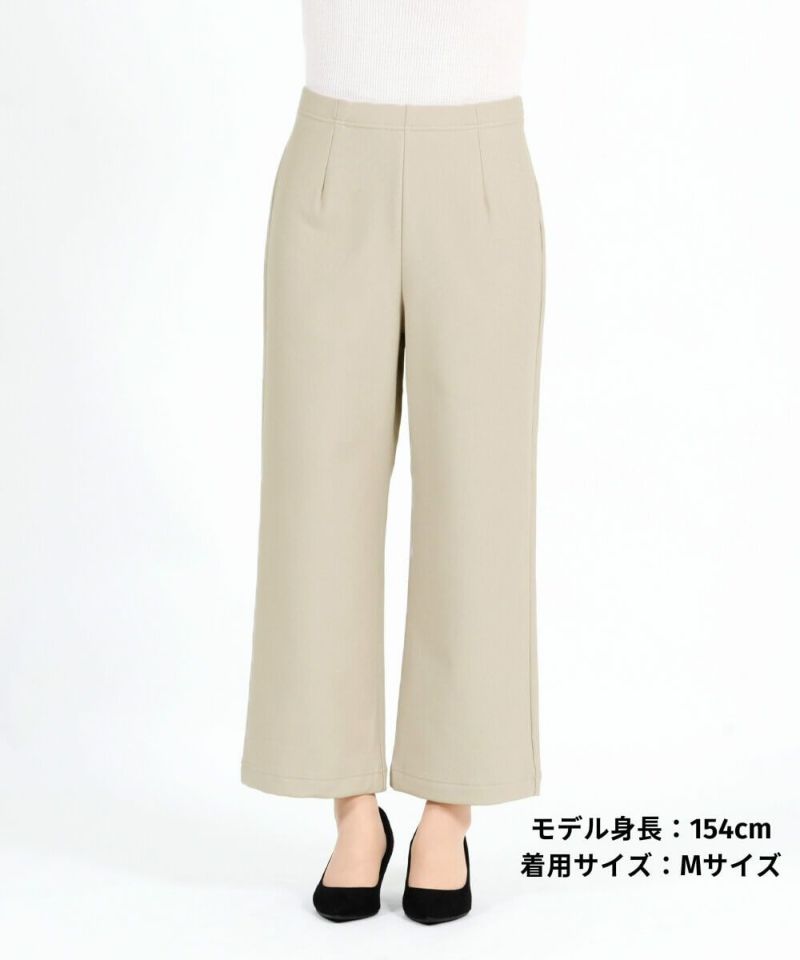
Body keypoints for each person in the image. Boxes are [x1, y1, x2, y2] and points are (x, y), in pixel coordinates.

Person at [240, 0, 545, 924]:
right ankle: (351, 809)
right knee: (315, 496)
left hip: (480, 167)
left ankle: (450, 810)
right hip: (334, 160)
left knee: (480, 501)